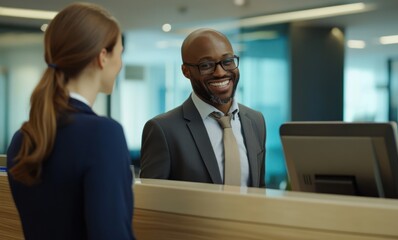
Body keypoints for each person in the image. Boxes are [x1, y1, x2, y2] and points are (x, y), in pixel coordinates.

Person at [6, 3, 135, 239]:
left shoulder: (23, 138)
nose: (121, 63)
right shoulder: (104, 134)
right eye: (120, 52)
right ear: (102, 57)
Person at [140, 28, 266, 187]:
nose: (220, 73)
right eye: (206, 65)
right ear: (186, 71)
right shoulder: (163, 130)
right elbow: (151, 203)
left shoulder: (255, 121)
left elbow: (260, 190)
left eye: (227, 61)